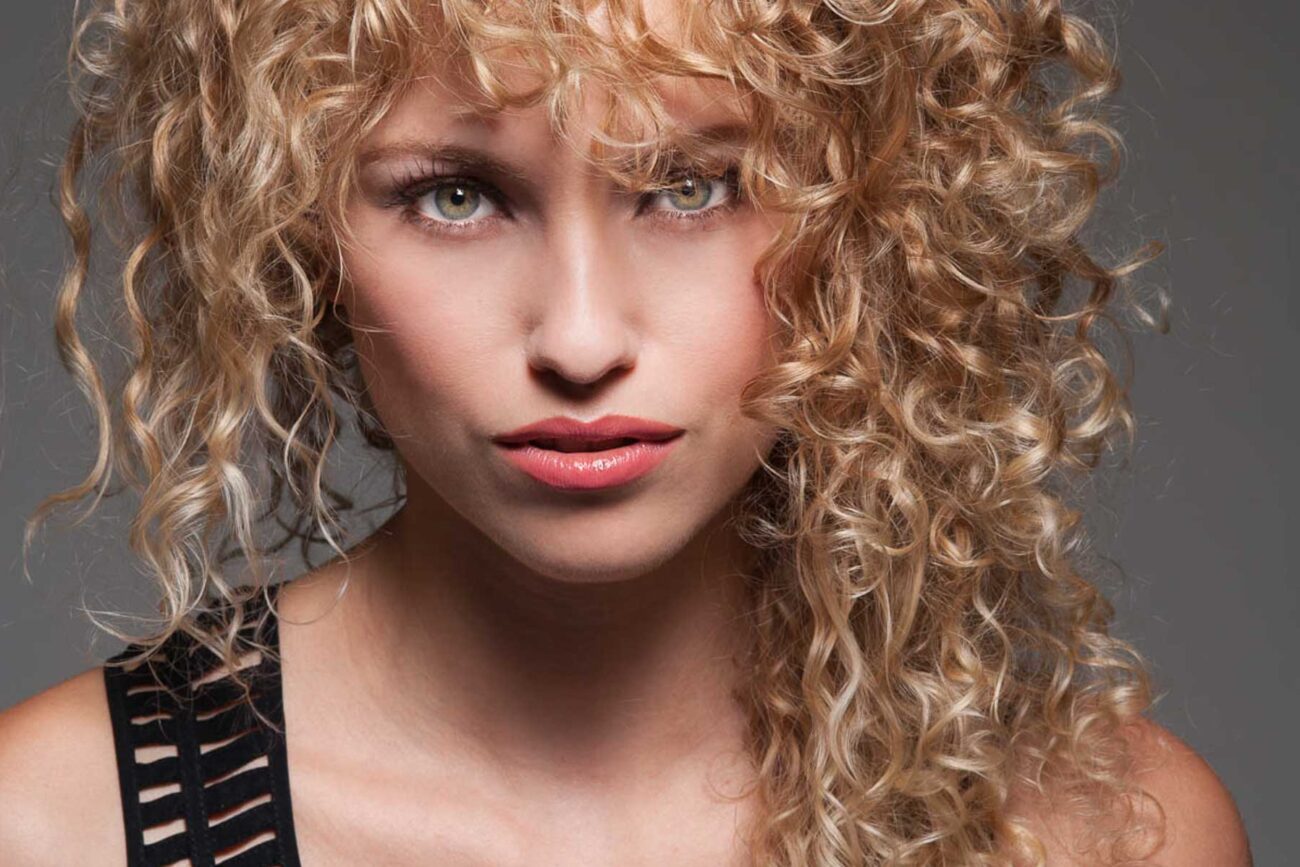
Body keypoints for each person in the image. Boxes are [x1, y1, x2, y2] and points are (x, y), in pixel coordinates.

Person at [0, 0, 1252, 864]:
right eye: (455, 196)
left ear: (871, 221)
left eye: (693, 187)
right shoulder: (57, 826)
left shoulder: (1103, 832)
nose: (584, 338)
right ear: (296, 233)